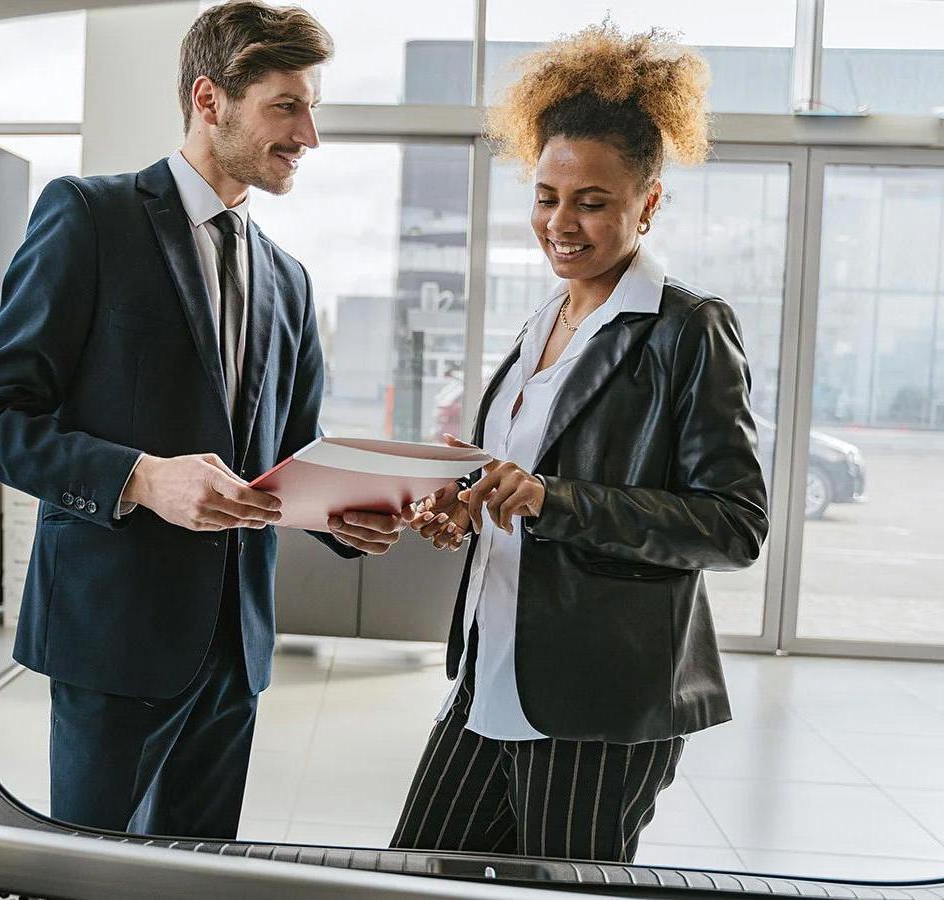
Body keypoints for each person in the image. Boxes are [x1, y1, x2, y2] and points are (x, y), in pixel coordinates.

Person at [0, 1, 403, 841]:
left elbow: (293, 456)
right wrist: (143, 477)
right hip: (113, 635)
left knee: (200, 873)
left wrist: (366, 510)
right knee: (92, 872)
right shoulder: (89, 217)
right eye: (287, 105)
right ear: (210, 98)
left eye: (312, 109)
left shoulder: (290, 280)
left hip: (236, 649)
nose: (310, 135)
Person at [391, 23, 769, 863]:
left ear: (650, 202)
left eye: (592, 202)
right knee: (413, 871)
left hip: (599, 695)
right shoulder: (543, 322)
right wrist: (466, 507)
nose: (561, 222)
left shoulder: (687, 329)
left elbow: (734, 525)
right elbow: (517, 478)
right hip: (491, 673)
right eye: (546, 197)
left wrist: (550, 501)